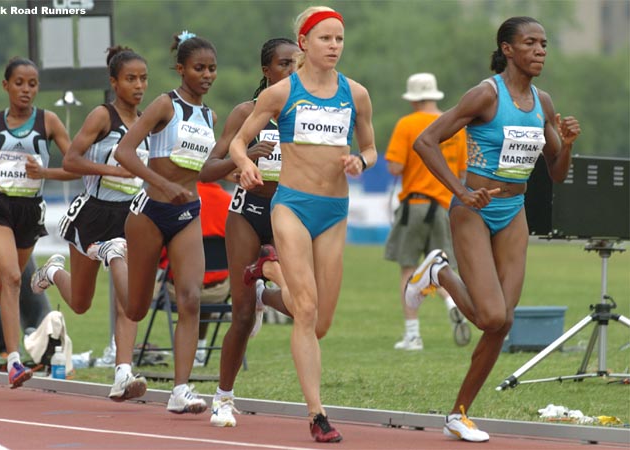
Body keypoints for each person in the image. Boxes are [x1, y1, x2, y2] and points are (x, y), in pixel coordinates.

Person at [411, 16, 581, 442]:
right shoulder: (486, 95)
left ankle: (458, 415)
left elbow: (557, 174)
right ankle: (439, 272)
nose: (540, 50)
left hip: (513, 211)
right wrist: (461, 191)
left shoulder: (543, 102)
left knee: (502, 324)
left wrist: (568, 143)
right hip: (473, 210)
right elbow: (426, 141)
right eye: (530, 43)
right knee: (491, 315)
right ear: (507, 49)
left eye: (544, 43)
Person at [229, 6, 377, 442]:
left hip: (334, 211)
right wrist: (244, 165)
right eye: (326, 39)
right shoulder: (280, 93)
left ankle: (267, 272)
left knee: (321, 322)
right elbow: (239, 142)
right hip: (291, 206)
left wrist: (359, 160)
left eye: (339, 39)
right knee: (306, 310)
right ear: (304, 44)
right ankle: (317, 414)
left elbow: (371, 149)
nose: (334, 46)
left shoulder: (357, 94)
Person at [30, 46, 149, 401]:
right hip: (93, 214)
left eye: (143, 78)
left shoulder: (146, 121)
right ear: (114, 82)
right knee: (80, 303)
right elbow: (71, 160)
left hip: (129, 218)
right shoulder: (102, 116)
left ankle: (123, 374)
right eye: (131, 79)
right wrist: (114, 169)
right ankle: (52, 272)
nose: (139, 85)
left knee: (130, 297)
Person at [114, 30, 217, 415]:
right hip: (149, 212)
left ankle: (180, 390)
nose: (207, 75)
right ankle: (115, 259)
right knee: (137, 308)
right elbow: (125, 152)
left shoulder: (210, 115)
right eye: (198, 68)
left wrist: (242, 163)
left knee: (190, 298)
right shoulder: (163, 105)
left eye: (211, 69)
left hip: (187, 213)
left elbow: (204, 169)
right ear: (181, 69)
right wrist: (161, 183)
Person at [198, 36, 299, 428]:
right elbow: (208, 169)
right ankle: (223, 398)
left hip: (288, 212)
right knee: (240, 315)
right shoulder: (246, 113)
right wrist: (244, 159)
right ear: (266, 70)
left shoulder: (307, 114)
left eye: (297, 64)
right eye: (284, 64)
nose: (292, 71)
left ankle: (261, 291)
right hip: (248, 212)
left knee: (304, 306)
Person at [0, 56, 73, 388]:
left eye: (32, 84)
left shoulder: (49, 122)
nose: (26, 90)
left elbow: (75, 165)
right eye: (19, 83)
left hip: (30, 211)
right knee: (11, 277)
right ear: (6, 85)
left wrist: (45, 173)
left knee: (2, 286)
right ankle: (13, 362)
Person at [383, 73, 471, 351]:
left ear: (413, 100)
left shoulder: (407, 124)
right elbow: (462, 171)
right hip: (444, 208)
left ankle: (413, 335)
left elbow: (395, 168)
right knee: (442, 268)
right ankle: (451, 303)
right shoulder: (454, 125)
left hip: (414, 207)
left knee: (409, 268)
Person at [157, 181, 232, 367]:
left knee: (187, 283)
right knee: (199, 288)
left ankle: (117, 347)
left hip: (179, 291)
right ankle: (200, 347)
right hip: (220, 292)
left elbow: (160, 256)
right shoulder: (229, 202)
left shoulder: (179, 200)